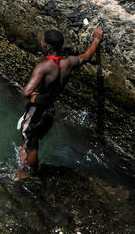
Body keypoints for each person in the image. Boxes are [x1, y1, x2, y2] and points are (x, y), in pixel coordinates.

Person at [16, 26, 104, 177]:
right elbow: (86, 56)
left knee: (31, 147)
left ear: (48, 46)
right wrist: (96, 39)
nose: (41, 42)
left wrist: (36, 91)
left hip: (36, 110)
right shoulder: (68, 63)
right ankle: (23, 167)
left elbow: (26, 92)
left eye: (43, 40)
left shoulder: (43, 67)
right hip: (49, 110)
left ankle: (29, 175)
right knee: (32, 141)